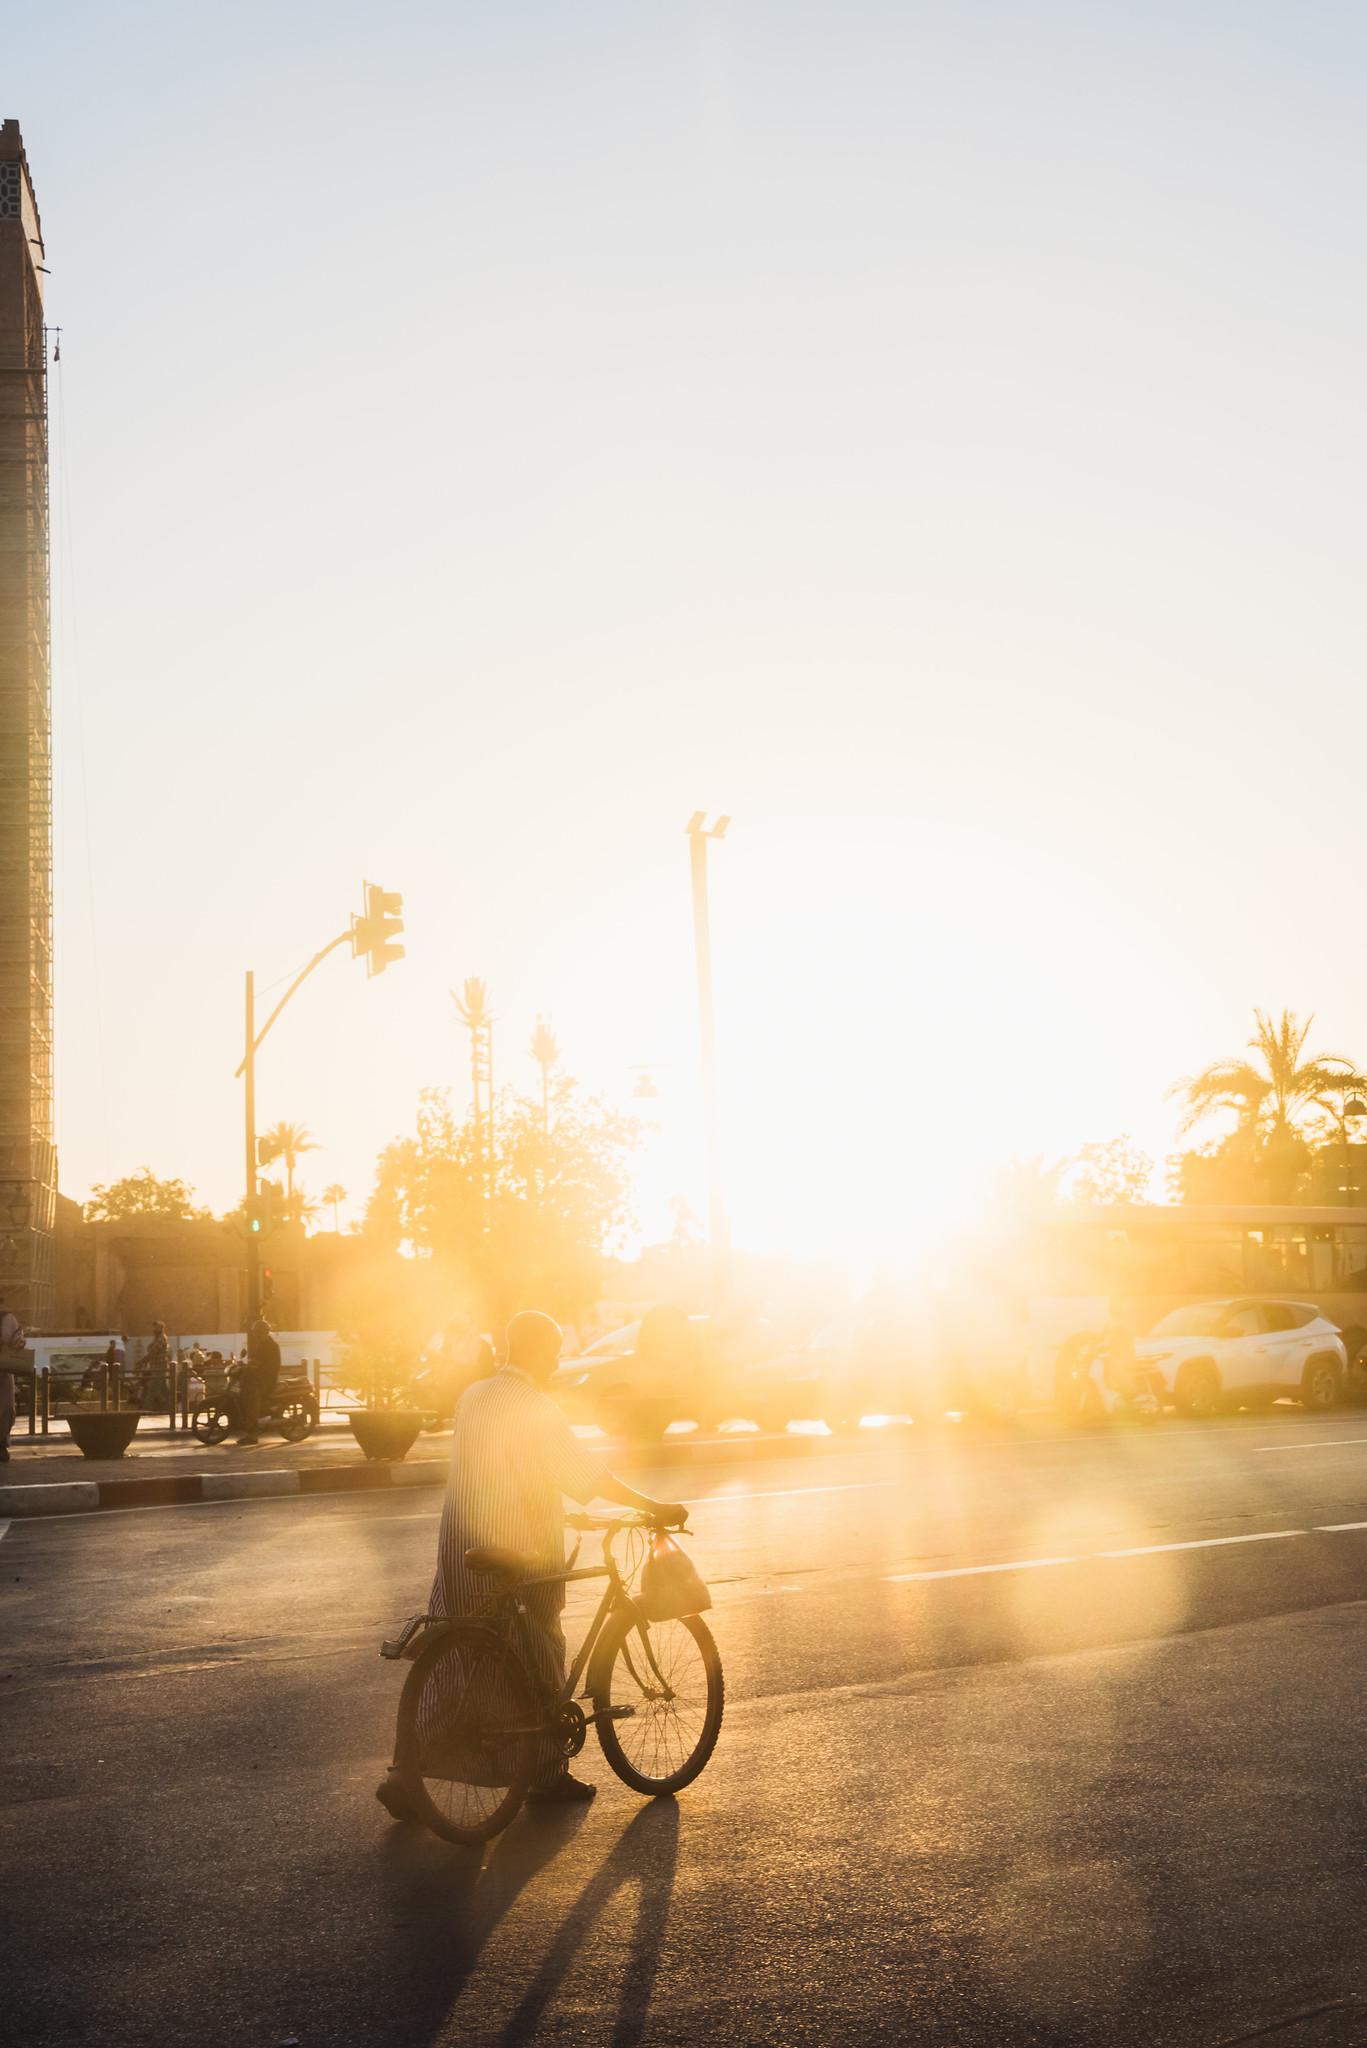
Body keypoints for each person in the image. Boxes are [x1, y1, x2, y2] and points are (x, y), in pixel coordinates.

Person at [376, 1309, 686, 1817]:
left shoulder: (473, 1396)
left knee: (455, 1652)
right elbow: (586, 1474)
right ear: (541, 1352)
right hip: (522, 1551)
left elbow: (505, 1468)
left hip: (463, 1549)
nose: (559, 1360)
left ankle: (409, 1770)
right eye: (556, 1351)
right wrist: (653, 1507)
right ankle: (544, 1773)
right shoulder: (534, 1405)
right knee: (538, 1650)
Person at [237, 1312, 282, 1446]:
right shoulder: (263, 1344)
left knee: (251, 1399)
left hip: (266, 1380)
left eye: (257, 1332)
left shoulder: (271, 1345)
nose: (256, 1335)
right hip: (260, 1377)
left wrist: (257, 1366)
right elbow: (255, 1359)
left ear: (262, 1332)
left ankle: (253, 1434)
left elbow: (270, 1365)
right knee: (245, 1392)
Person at [0, 1298, 24, 1465]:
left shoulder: (7, 1318)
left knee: (6, 1408)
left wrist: (18, 1343)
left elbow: (18, 1340)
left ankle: (1, 1443)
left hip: (3, 1369)